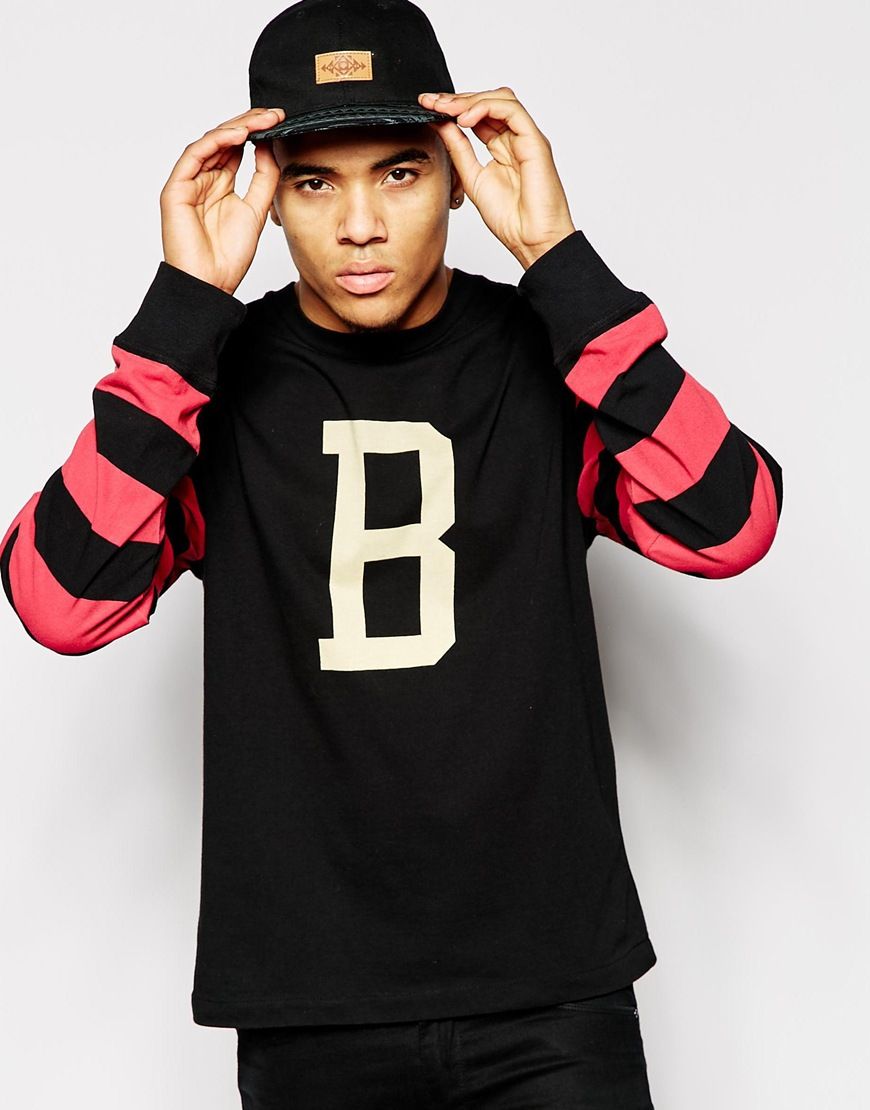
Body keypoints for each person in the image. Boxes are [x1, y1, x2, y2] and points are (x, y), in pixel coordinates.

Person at [0, 0, 784, 1106]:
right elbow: (57, 601)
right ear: (267, 194)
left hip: (552, 988)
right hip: (310, 1000)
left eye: (401, 174)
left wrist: (559, 262)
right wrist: (182, 314)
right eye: (316, 183)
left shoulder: (552, 358)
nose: (361, 225)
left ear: (460, 174)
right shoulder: (206, 389)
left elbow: (731, 523)